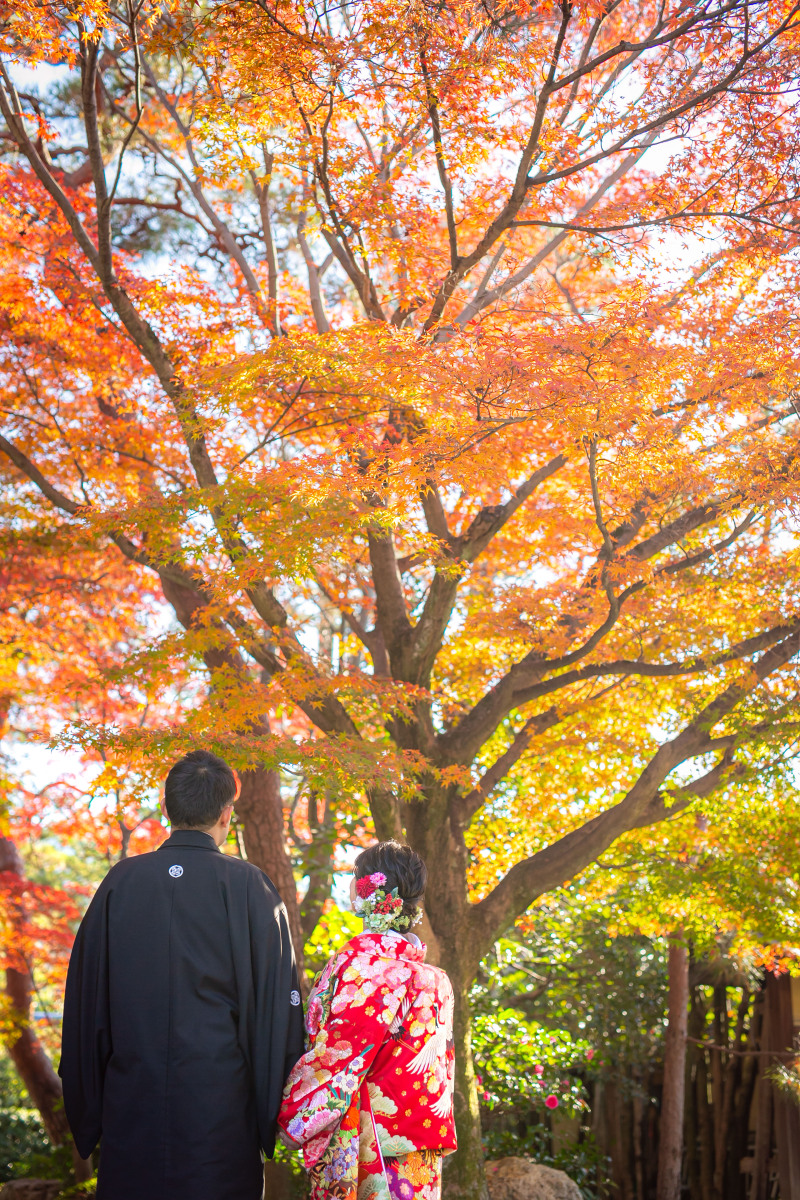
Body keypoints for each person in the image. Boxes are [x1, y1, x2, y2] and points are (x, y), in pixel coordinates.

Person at [59, 749, 305, 1200]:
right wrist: (274, 1111)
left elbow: (84, 1003)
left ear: (168, 807)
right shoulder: (250, 886)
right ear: (227, 814)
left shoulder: (120, 883)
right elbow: (278, 1009)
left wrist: (91, 1110)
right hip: (220, 1116)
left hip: (132, 1107)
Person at [278, 840, 457, 1200]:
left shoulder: (358, 968)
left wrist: (286, 1115)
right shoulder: (438, 979)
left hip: (366, 1140)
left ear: (366, 892)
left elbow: (334, 1057)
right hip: (419, 1139)